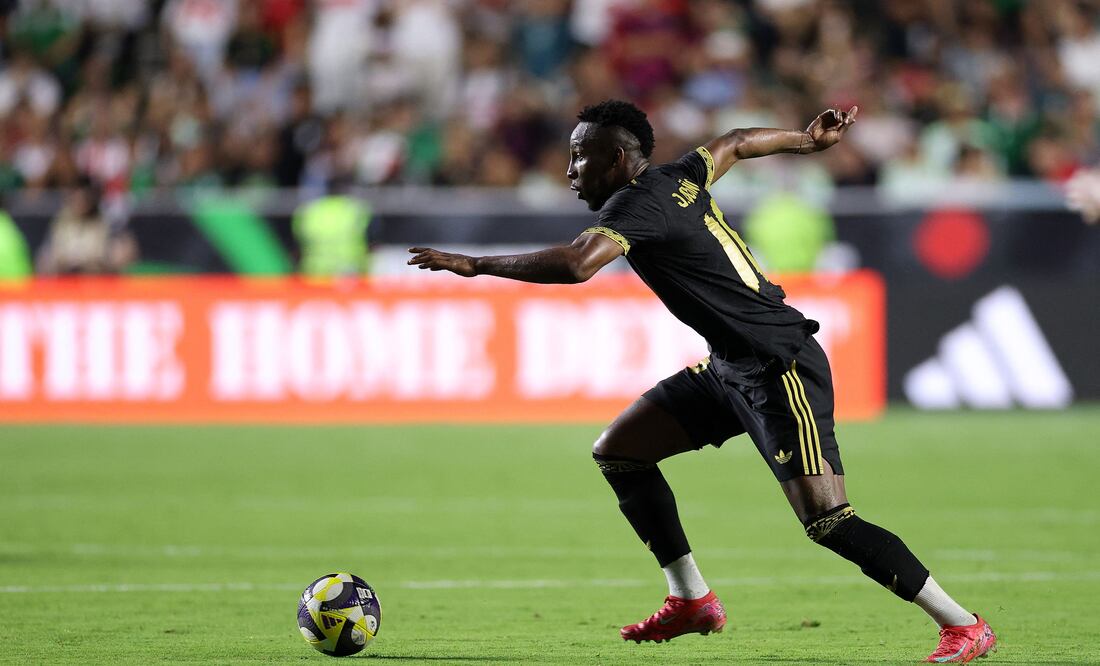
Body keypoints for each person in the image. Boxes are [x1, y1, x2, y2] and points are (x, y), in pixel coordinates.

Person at [408, 100, 997, 663]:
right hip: (729, 367)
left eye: (580, 157)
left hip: (778, 366)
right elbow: (736, 143)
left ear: (616, 159)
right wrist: (806, 141)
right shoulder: (680, 176)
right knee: (619, 452)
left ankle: (963, 624)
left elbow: (577, 265)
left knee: (828, 520)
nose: (569, 171)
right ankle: (690, 600)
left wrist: (477, 263)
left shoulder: (635, 206)